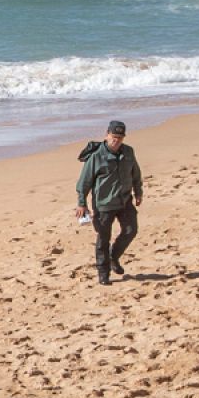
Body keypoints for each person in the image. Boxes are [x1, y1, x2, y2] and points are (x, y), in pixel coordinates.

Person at [76, 119, 144, 286]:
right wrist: (81, 203)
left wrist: (138, 192)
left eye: (120, 137)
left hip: (125, 201)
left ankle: (114, 257)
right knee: (103, 239)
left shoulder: (128, 152)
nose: (116, 140)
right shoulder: (96, 156)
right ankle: (103, 272)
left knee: (131, 230)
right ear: (106, 135)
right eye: (113, 137)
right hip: (104, 205)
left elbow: (136, 173)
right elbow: (84, 182)